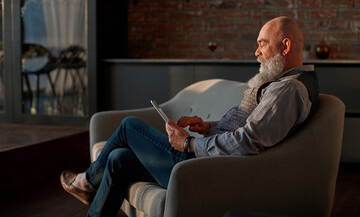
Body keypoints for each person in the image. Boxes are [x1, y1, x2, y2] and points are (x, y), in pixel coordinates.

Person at [60, 16, 319, 217]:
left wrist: (188, 143)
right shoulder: (282, 84)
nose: (257, 52)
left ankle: (86, 181)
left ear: (285, 46)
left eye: (262, 44)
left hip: (203, 169)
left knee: (130, 126)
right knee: (118, 158)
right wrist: (208, 127)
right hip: (205, 159)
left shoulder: (288, 90)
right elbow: (254, 128)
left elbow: (249, 140)